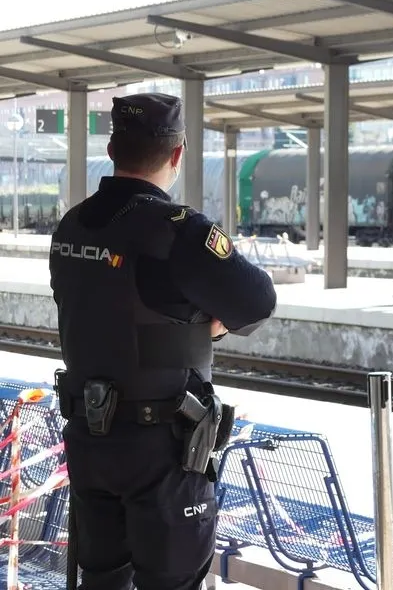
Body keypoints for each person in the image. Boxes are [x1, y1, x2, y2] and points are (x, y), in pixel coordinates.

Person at [49, 93, 277, 590]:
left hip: (90, 441)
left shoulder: (71, 225)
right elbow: (257, 301)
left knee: (101, 578)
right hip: (162, 451)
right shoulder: (179, 232)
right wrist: (203, 327)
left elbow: (104, 305)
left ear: (112, 149)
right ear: (176, 155)